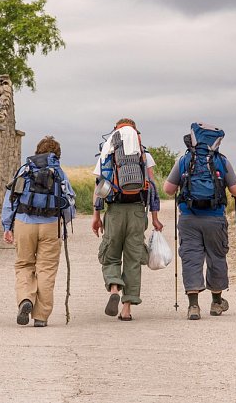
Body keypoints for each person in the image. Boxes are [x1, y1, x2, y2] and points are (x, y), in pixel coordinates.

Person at [163, 123, 236, 320]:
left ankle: (193, 306)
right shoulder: (221, 161)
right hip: (215, 218)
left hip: (189, 218)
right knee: (217, 257)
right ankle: (216, 303)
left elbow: (168, 189)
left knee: (191, 258)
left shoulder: (184, 160)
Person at [91, 118, 163, 321]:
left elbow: (99, 188)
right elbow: (152, 188)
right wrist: (155, 218)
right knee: (132, 260)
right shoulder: (143, 153)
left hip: (114, 211)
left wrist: (96, 216)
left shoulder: (109, 150)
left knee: (111, 255)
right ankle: (127, 309)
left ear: (116, 131)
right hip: (138, 211)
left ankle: (114, 288)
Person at [1, 136, 75, 327]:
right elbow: (68, 205)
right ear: (57, 155)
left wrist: (7, 226)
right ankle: (41, 316)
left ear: (37, 151)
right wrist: (63, 222)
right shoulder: (59, 173)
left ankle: (26, 299)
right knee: (46, 269)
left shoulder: (25, 170)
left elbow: (11, 199)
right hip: (50, 225)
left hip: (24, 223)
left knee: (24, 264)